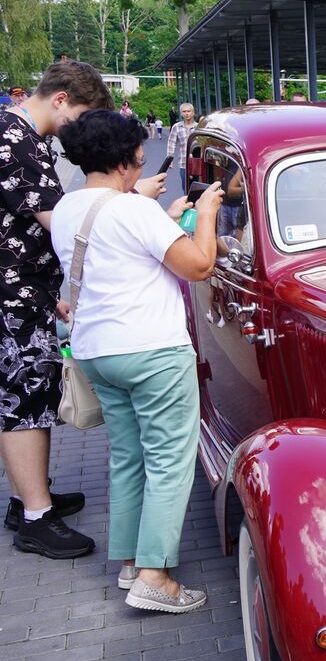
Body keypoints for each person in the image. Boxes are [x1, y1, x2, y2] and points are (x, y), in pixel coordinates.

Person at [52, 109, 223, 612]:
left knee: (127, 458)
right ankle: (155, 577)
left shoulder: (67, 208)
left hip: (96, 352)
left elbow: (118, 249)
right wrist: (207, 214)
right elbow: (199, 265)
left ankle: (128, 561)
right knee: (169, 460)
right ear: (129, 159)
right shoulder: (134, 210)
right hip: (151, 351)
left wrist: (159, 218)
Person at [0, 61, 115, 559]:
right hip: (12, 299)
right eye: (82, 116)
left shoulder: (21, 136)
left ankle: (31, 496)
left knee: (34, 394)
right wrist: (126, 204)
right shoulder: (15, 141)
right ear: (61, 98)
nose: (81, 131)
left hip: (26, 292)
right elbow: (60, 220)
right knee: (22, 401)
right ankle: (34, 517)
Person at [166, 102, 197, 190]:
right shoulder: (177, 127)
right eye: (184, 111)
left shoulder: (199, 127)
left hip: (197, 163)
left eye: (188, 111)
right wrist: (169, 160)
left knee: (198, 188)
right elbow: (171, 143)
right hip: (184, 163)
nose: (187, 113)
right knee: (186, 188)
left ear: (193, 112)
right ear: (181, 113)